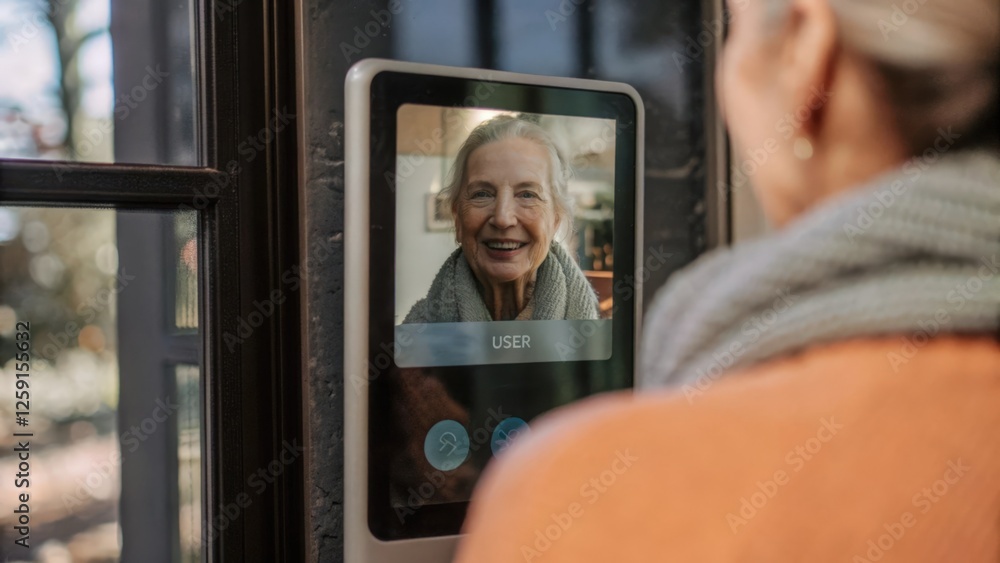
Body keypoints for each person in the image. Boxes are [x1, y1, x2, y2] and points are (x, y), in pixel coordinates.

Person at [455, 0, 999, 560]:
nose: (504, 218)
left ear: (803, 53)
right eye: (482, 193)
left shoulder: (591, 502)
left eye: (734, 29)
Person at [403, 115, 599, 323]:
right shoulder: (413, 341)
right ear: (457, 218)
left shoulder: (597, 340)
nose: (503, 219)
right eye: (482, 194)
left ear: (555, 220)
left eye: (527, 195)